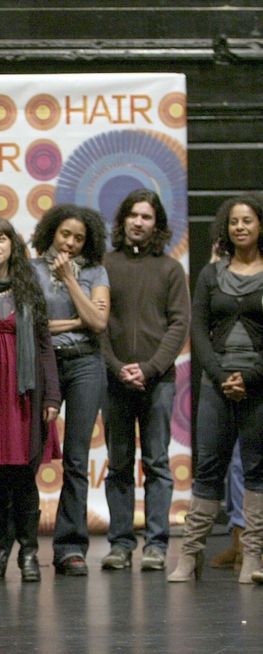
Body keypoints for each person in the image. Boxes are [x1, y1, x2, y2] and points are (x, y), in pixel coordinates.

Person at [168, 195, 263, 584]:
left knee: (256, 469)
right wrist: (223, 375)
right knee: (207, 468)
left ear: (259, 226)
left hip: (258, 383)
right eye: (234, 222)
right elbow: (198, 331)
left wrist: (250, 377)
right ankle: (190, 556)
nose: (240, 227)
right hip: (215, 381)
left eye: (247, 221)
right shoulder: (210, 275)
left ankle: (253, 557)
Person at [99, 189, 190, 573]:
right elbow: (96, 323)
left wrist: (149, 368)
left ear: (157, 225)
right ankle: (120, 544)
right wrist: (117, 365)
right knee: (119, 464)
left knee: (156, 463)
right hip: (113, 379)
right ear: (122, 221)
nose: (139, 222)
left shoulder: (170, 269)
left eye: (147, 217)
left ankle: (155, 544)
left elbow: (179, 323)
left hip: (159, 381)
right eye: (133, 215)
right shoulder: (104, 265)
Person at [0, 216, 61, 583]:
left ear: (13, 244)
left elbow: (44, 346)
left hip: (24, 392)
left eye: (1, 238)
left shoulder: (29, 289)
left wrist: (52, 396)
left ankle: (28, 553)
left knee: (25, 479)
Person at [31, 204, 110, 576]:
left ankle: (70, 547)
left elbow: (97, 322)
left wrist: (71, 279)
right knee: (28, 454)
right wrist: (77, 319)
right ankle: (20, 544)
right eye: (66, 235)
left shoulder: (96, 272)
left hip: (85, 365)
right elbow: (33, 326)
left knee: (77, 458)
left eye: (79, 238)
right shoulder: (30, 270)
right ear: (51, 233)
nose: (72, 243)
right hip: (43, 365)